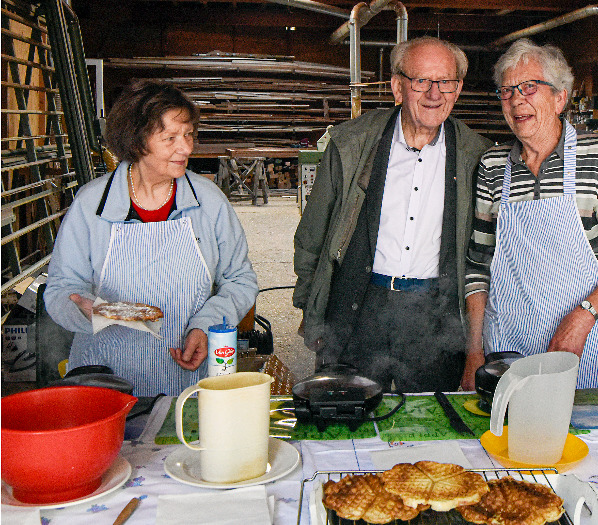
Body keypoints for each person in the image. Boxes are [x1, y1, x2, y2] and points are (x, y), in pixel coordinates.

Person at [293, 36, 493, 393]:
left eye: (445, 81)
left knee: (430, 424)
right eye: (421, 81)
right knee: (349, 419)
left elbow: (484, 258)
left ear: (458, 88)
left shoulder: (478, 156)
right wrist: (313, 313)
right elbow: (312, 237)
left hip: (436, 319)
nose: (435, 93)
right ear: (397, 87)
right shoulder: (351, 144)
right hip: (358, 309)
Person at [44, 79, 258, 396]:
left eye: (188, 135)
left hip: (188, 377)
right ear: (138, 140)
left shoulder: (208, 202)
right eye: (170, 138)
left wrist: (207, 324)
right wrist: (83, 310)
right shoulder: (92, 205)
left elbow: (240, 279)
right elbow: (61, 287)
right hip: (106, 377)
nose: (185, 148)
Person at [463, 39, 598, 390]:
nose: (517, 100)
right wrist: (474, 351)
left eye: (529, 87)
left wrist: (582, 318)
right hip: (507, 345)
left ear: (560, 98)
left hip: (584, 341)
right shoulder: (492, 165)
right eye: (507, 91)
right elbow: (478, 267)